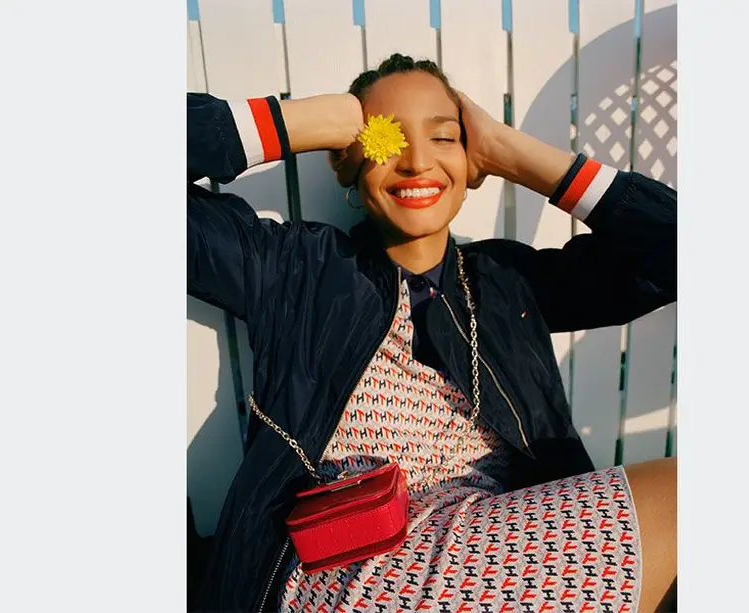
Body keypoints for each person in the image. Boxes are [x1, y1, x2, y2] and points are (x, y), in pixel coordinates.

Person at [187, 53, 677, 612]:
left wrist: (516, 154)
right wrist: (299, 123)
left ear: (473, 161)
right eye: (385, 138)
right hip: (347, 566)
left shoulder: (506, 284)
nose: (417, 161)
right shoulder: (294, 269)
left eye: (443, 138)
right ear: (348, 161)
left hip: (501, 542)